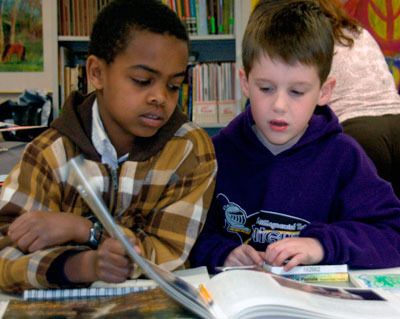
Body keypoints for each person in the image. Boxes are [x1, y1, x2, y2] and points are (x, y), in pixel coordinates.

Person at [0, 0, 216, 293]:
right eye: (142, 80)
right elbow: (5, 251)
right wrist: (80, 265)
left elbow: (169, 254)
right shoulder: (49, 153)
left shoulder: (189, 151)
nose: (160, 97)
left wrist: (82, 229)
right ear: (96, 73)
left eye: (174, 85)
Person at [189, 0, 400, 274]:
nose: (279, 105)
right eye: (265, 88)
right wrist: (222, 252)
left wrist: (320, 246)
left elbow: (392, 233)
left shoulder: (343, 156)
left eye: (297, 92)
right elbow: (187, 237)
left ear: (324, 92)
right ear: (245, 83)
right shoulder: (216, 155)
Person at [318, 0, 400, 198]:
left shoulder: (308, 38)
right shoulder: (359, 31)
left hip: (358, 133)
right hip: (397, 120)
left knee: (360, 222)